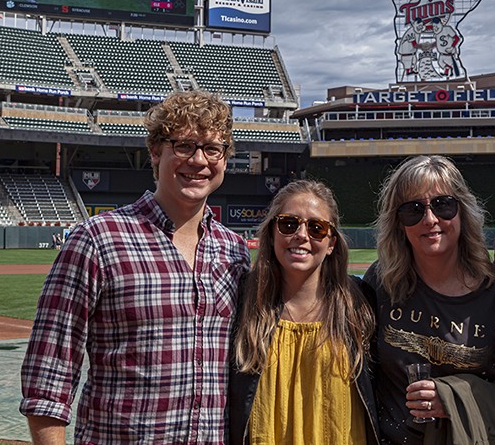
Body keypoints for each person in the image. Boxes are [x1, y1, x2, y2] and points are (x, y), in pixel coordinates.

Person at [20, 90, 250, 445]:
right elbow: (49, 370)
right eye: (185, 145)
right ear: (156, 153)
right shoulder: (97, 238)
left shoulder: (233, 250)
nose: (199, 160)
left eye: (212, 149)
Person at [364, 155, 495, 445]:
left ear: (462, 210)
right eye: (412, 210)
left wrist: (453, 399)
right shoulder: (380, 282)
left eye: (443, 205)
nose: (430, 220)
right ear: (398, 223)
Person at [229, 179, 378, 444]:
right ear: (273, 232)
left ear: (331, 243)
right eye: (288, 224)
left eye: (317, 228)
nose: (301, 235)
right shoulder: (242, 300)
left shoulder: (360, 303)